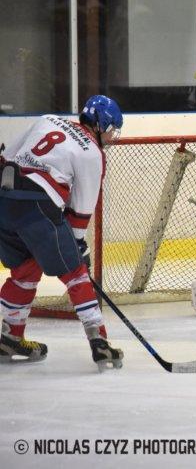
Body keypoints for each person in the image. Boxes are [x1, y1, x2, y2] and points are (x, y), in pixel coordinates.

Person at [0, 95, 124, 370]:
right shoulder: (92, 152)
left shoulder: (48, 120)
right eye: (112, 129)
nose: (112, 136)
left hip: (4, 202)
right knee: (76, 274)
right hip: (38, 205)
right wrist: (78, 247)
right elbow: (82, 209)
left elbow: (5, 158)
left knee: (24, 271)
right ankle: (99, 342)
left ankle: (10, 337)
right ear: (101, 124)